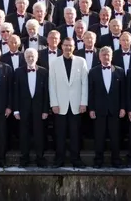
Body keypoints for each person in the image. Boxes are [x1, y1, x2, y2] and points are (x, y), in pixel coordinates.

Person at [49, 37, 88, 168]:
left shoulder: (81, 61)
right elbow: (52, 84)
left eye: (70, 45)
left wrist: (84, 102)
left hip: (77, 105)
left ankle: (76, 159)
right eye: (65, 45)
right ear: (61, 46)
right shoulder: (54, 62)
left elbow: (85, 83)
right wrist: (54, 103)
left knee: (75, 134)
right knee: (59, 134)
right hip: (60, 105)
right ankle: (59, 160)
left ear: (74, 47)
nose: (68, 48)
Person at [87, 46, 125, 168]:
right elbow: (91, 92)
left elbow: (123, 92)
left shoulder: (120, 71)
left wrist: (123, 108)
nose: (106, 57)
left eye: (108, 54)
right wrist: (91, 109)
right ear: (99, 57)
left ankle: (116, 160)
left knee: (115, 136)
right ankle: (98, 161)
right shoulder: (93, 71)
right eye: (103, 55)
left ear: (112, 56)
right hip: (99, 109)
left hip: (115, 109)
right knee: (99, 136)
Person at [14, 48, 49, 167]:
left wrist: (45, 110)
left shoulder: (44, 72)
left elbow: (46, 93)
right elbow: (16, 92)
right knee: (24, 134)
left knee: (39, 134)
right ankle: (24, 158)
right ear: (24, 58)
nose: (30, 58)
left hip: (39, 109)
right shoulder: (18, 72)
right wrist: (16, 110)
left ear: (37, 57)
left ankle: (40, 157)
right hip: (23, 109)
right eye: (28, 56)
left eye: (32, 56)